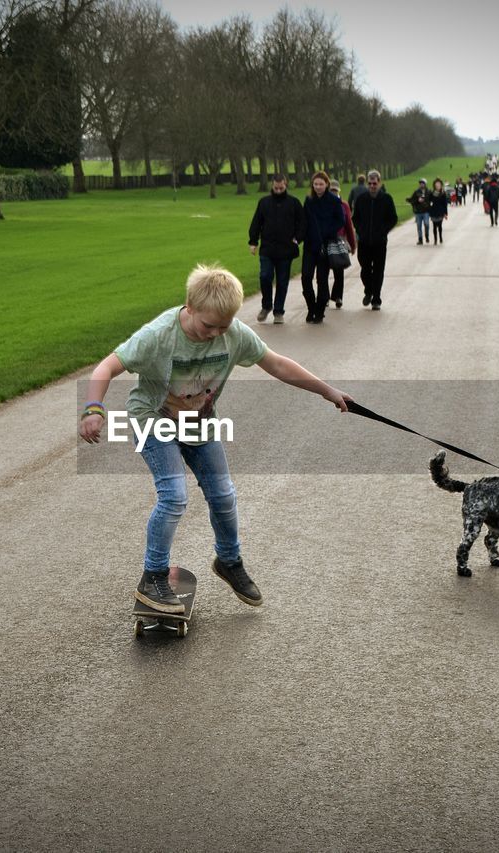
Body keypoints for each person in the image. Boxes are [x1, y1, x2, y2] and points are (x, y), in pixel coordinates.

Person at [78, 264, 351, 614]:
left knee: (223, 495)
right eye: (209, 325)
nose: (215, 334)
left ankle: (229, 561)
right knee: (174, 496)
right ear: (189, 308)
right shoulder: (159, 335)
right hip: (154, 418)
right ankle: (154, 575)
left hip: (199, 424)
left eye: (223, 326)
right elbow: (106, 367)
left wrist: (327, 391)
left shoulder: (233, 333)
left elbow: (278, 364)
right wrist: (93, 408)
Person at [247, 174, 304, 324]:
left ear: (286, 185)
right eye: (276, 187)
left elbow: (302, 223)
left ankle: (278, 311)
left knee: (282, 281)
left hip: (286, 249)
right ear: (272, 185)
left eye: (281, 187)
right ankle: (266, 306)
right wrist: (253, 242)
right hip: (267, 248)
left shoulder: (294, 203)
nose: (278, 190)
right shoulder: (264, 202)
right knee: (265, 276)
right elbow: (256, 223)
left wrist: (297, 239)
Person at [300, 170, 346, 324]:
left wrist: (327, 232)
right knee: (306, 277)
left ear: (326, 184)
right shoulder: (309, 201)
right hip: (310, 245)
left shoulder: (333, 201)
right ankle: (311, 308)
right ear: (312, 185)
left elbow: (341, 220)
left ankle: (319, 310)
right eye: (316, 184)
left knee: (322, 279)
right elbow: (303, 222)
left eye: (321, 184)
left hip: (325, 245)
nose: (318, 187)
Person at [351, 169, 398, 310]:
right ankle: (369, 290)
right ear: (367, 183)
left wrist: (383, 231)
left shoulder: (386, 199)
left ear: (379, 183)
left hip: (379, 242)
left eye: (375, 183)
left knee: (378, 270)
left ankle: (376, 298)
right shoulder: (361, 199)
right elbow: (355, 218)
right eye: (370, 183)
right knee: (365, 269)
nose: (372, 186)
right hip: (364, 242)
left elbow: (393, 219)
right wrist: (360, 230)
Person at [328, 179, 357, 308]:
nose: (333, 193)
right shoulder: (324, 203)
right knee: (323, 271)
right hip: (326, 240)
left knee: (339, 269)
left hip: (340, 240)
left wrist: (353, 244)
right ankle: (324, 296)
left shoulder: (344, 205)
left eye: (335, 190)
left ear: (339, 191)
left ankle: (337, 296)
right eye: (331, 190)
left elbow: (349, 226)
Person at [406, 178, 431, 245]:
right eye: (420, 183)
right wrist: (417, 200)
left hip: (426, 211)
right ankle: (420, 240)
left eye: (422, 183)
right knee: (419, 226)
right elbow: (412, 200)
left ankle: (427, 236)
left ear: (425, 184)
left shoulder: (428, 192)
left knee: (427, 224)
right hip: (418, 212)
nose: (421, 184)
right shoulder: (416, 192)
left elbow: (432, 200)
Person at [428, 178, 449, 245]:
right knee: (434, 226)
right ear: (434, 185)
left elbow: (445, 204)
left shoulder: (443, 193)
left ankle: (440, 237)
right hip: (434, 211)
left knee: (439, 226)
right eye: (436, 184)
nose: (437, 185)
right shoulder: (432, 193)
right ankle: (435, 239)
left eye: (439, 184)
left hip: (440, 211)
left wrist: (445, 213)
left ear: (441, 185)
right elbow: (429, 201)